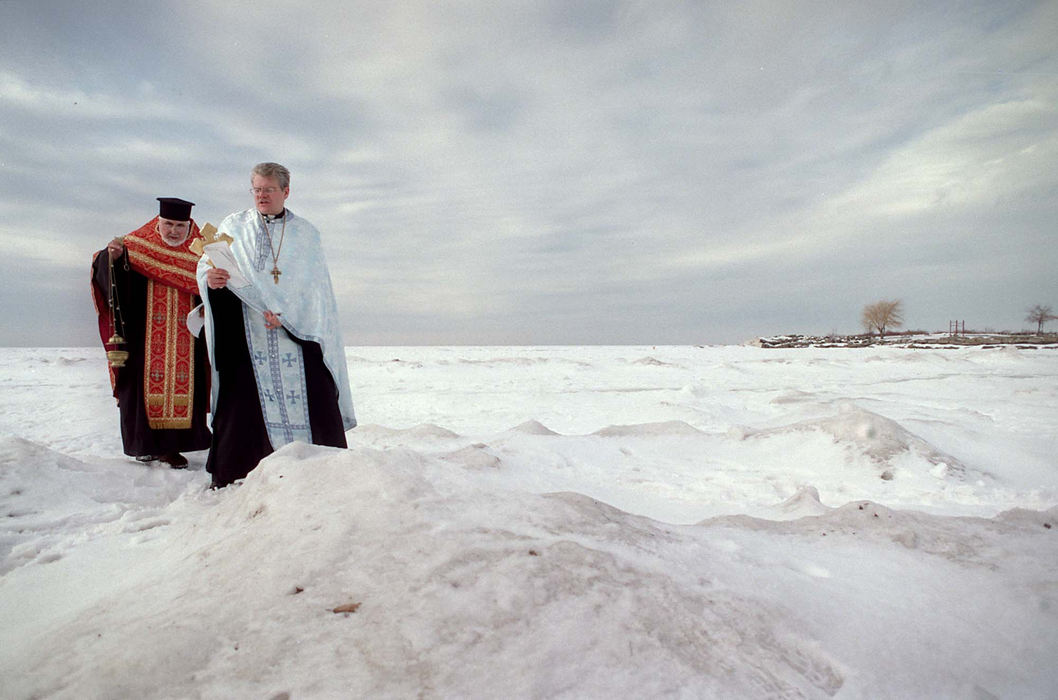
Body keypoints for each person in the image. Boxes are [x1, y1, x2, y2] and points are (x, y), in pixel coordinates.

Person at [197, 162, 356, 488]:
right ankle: (239, 474)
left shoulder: (306, 234)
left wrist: (286, 313)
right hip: (246, 332)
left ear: (286, 191)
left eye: (268, 189)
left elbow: (315, 289)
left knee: (315, 394)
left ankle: (320, 471)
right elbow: (208, 266)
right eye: (256, 189)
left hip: (294, 332)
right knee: (241, 401)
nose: (261, 195)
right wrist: (210, 280)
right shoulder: (233, 226)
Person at [90, 197, 212, 468]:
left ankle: (172, 448)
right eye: (168, 224)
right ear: (159, 223)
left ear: (189, 225)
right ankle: (143, 446)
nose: (173, 231)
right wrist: (111, 259)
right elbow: (112, 279)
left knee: (185, 387)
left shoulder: (201, 255)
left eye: (180, 226)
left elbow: (213, 287)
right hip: (143, 336)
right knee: (140, 388)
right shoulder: (135, 247)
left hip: (187, 337)